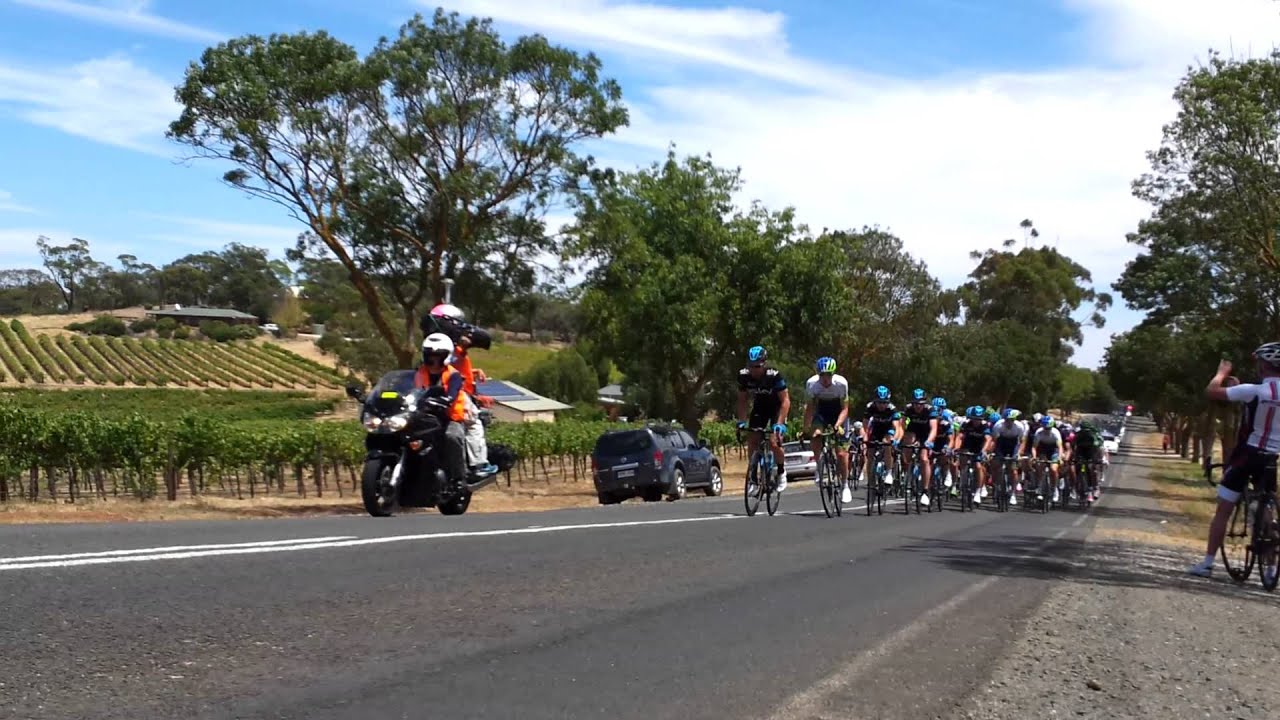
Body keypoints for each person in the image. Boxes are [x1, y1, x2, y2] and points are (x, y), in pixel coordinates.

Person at [1189, 343, 1280, 579]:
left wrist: (1221, 374)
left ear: (1263, 365)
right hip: (1272, 456)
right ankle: (1271, 568)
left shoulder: (1254, 390)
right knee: (1267, 509)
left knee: (1224, 509)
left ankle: (1208, 563)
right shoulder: (1253, 391)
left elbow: (1212, 392)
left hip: (1247, 454)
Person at [429, 303, 497, 476]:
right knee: (474, 424)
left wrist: (473, 372)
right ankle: (479, 465)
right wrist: (464, 346)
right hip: (456, 394)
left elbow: (446, 367)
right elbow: (451, 365)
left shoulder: (432, 344)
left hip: (438, 391)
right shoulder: (453, 347)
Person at [412, 333, 470, 486]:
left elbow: (453, 392)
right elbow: (407, 389)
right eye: (430, 355)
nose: (434, 359)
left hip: (448, 417)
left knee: (452, 437)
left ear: (446, 356)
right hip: (423, 416)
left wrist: (447, 399)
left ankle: (459, 478)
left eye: (438, 356)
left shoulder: (453, 375)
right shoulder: (418, 372)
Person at [736, 345, 791, 493]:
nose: (754, 370)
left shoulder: (774, 375)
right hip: (760, 408)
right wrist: (741, 421)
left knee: (774, 442)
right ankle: (753, 477)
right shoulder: (744, 376)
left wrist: (780, 424)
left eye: (757, 366)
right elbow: (742, 400)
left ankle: (781, 471)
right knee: (752, 438)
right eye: (751, 366)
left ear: (764, 364)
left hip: (776, 408)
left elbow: (785, 401)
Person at [803, 357, 853, 503]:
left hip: (838, 413)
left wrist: (838, 425)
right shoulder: (811, 384)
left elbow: (845, 409)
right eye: (822, 375)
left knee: (842, 454)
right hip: (821, 412)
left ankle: (845, 485)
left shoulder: (841, 383)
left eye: (828, 375)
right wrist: (806, 427)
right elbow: (810, 408)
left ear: (833, 374)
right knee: (816, 434)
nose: (825, 379)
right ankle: (819, 466)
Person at [900, 388, 939, 507]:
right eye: (915, 403)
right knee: (907, 447)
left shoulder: (930, 410)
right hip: (913, 430)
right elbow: (901, 424)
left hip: (926, 433)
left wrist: (929, 442)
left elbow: (934, 428)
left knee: (924, 459)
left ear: (924, 403)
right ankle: (907, 474)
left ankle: (925, 491)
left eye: (920, 404)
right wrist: (900, 438)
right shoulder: (908, 408)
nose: (917, 406)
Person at [862, 385, 904, 485]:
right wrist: (864, 437)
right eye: (879, 402)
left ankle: (889, 472)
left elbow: (897, 427)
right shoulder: (870, 407)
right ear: (875, 401)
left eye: (884, 402)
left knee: (886, 443)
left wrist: (895, 439)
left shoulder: (891, 409)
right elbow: (865, 424)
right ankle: (870, 479)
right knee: (870, 454)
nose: (881, 405)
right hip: (876, 428)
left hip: (888, 429)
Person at [955, 406, 994, 504]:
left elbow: (988, 439)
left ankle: (978, 491)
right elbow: (960, 437)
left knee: (978, 466)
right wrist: (956, 448)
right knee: (963, 460)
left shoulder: (985, 425)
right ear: (971, 418)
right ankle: (963, 480)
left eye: (979, 419)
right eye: (975, 419)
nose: (977, 421)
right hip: (967, 445)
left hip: (979, 447)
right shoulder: (966, 424)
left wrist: (984, 451)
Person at [990, 408, 1027, 506]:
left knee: (1014, 470)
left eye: (1011, 420)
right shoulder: (998, 425)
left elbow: (1022, 441)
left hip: (1013, 445)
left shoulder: (1019, 426)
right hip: (1001, 444)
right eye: (1007, 420)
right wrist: (990, 452)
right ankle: (997, 485)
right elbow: (994, 441)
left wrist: (1019, 453)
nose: (1009, 422)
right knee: (997, 464)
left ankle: (1013, 493)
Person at [1029, 415, 1065, 504]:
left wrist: (1060, 458)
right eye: (1045, 428)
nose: (1047, 430)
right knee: (1039, 466)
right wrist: (1034, 457)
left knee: (1053, 469)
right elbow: (1034, 447)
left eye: (1049, 428)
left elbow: (1060, 447)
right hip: (1043, 449)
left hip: (1054, 450)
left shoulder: (1055, 433)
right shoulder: (1039, 432)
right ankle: (1040, 487)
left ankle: (1055, 488)